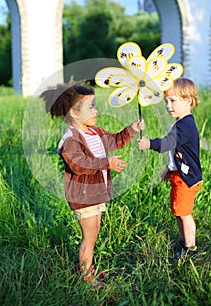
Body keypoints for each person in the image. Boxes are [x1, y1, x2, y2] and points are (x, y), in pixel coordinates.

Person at [41, 83, 145, 286]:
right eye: (91, 107)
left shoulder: (94, 132)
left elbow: (114, 141)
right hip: (83, 195)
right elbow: (80, 165)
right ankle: (87, 278)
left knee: (94, 230)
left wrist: (131, 130)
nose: (96, 111)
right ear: (73, 112)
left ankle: (86, 267)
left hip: (95, 193)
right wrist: (108, 163)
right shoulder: (70, 140)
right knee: (89, 236)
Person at [138, 78, 203, 260]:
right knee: (178, 211)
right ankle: (183, 239)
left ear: (188, 101)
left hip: (187, 178)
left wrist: (149, 143)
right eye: (166, 101)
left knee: (184, 213)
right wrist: (169, 168)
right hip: (179, 174)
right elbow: (177, 151)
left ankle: (190, 248)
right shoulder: (180, 123)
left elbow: (168, 143)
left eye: (173, 101)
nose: (168, 105)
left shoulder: (186, 125)